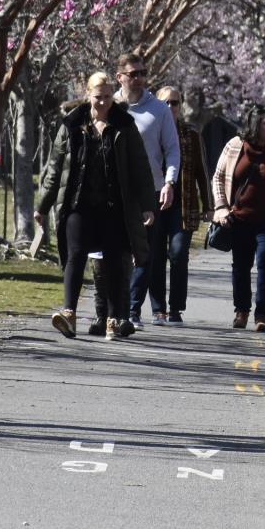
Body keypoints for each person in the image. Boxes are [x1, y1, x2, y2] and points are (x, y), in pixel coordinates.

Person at [38, 71, 155, 341]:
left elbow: (140, 168)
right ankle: (69, 313)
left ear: (112, 96)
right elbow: (56, 168)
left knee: (115, 261)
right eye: (97, 97)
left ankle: (113, 319)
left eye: (106, 97)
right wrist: (43, 205)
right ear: (87, 95)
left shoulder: (124, 126)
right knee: (75, 254)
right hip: (79, 203)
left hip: (114, 206)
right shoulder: (72, 124)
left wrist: (147, 205)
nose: (102, 102)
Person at [210, 103, 265, 331]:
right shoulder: (235, 146)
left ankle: (262, 314)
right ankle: (241, 310)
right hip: (238, 219)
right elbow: (218, 177)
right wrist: (220, 207)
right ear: (254, 123)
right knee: (240, 266)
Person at [118, 53, 183, 327]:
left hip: (150, 191)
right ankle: (113, 308)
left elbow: (172, 149)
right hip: (116, 191)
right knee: (116, 250)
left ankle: (132, 310)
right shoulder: (112, 107)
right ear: (119, 76)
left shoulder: (159, 110)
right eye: (133, 74)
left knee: (144, 252)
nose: (139, 79)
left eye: (142, 73)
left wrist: (169, 183)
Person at [157, 83, 213, 324]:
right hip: (156, 205)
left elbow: (202, 170)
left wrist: (209, 206)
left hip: (183, 206)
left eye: (175, 102)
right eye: (166, 102)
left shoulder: (191, 134)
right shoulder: (151, 131)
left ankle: (176, 307)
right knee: (156, 256)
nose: (171, 107)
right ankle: (158, 306)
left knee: (179, 254)